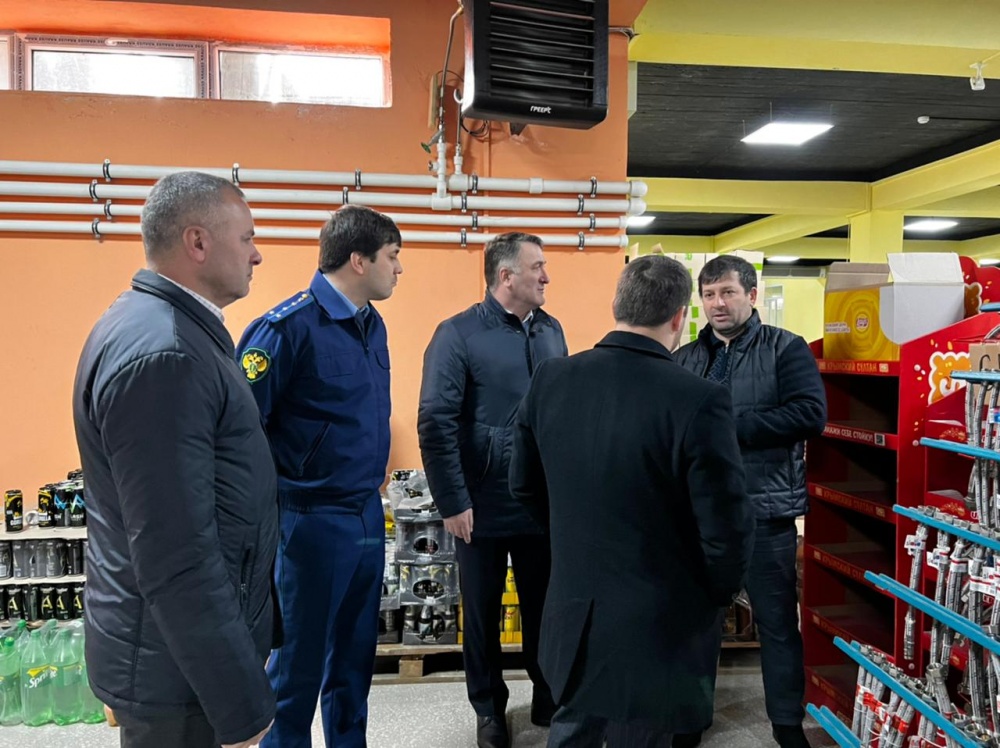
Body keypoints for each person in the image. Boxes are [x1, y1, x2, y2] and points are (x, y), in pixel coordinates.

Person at [508, 254, 754, 748]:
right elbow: (725, 524)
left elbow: (524, 486)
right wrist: (718, 592)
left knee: (572, 728)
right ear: (679, 317)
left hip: (575, 610)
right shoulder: (698, 398)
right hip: (661, 623)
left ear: (617, 305)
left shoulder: (552, 379)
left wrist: (573, 541)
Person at [72, 172, 277, 748]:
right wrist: (237, 702)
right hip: (180, 674)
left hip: (174, 656)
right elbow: (175, 552)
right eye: (246, 237)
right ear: (198, 242)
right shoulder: (167, 354)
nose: (257, 254)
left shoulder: (171, 328)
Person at [236, 204, 402, 748]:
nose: (399, 268)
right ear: (359, 260)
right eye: (392, 256)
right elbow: (240, 434)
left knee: (354, 660)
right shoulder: (284, 329)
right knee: (296, 666)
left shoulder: (371, 324)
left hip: (365, 512)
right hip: (308, 519)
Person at [418, 232, 567, 748]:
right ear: (506, 277)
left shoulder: (551, 330)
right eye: (537, 267)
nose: (546, 276)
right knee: (481, 615)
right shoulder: (457, 335)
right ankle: (488, 710)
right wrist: (452, 500)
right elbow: (435, 421)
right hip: (479, 505)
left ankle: (548, 696)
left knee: (545, 605)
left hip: (539, 502)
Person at [673, 254, 827, 748]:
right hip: (699, 516)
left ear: (752, 295)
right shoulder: (685, 358)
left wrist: (728, 429)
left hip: (766, 512)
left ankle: (786, 725)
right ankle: (690, 720)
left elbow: (810, 414)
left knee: (777, 625)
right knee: (698, 625)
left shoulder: (786, 348)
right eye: (709, 294)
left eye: (728, 293)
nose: (717, 303)